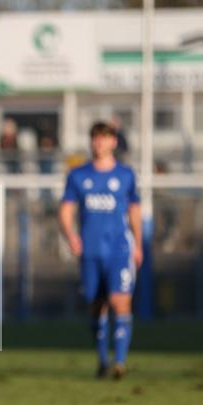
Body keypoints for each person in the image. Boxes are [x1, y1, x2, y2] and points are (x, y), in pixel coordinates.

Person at [59, 121, 142, 380]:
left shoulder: (126, 175)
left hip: (119, 249)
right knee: (97, 306)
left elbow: (134, 210)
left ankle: (120, 362)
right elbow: (65, 210)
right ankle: (102, 360)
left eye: (104, 138)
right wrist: (71, 235)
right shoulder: (78, 176)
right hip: (91, 251)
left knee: (120, 301)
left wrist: (138, 243)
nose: (99, 143)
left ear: (114, 142)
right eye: (95, 138)